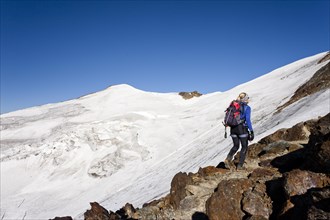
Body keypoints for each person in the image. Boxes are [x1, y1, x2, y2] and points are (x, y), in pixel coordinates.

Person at [224, 92, 254, 170]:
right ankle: (240, 166)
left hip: (233, 129)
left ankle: (228, 159)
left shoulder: (234, 106)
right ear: (245, 99)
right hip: (241, 129)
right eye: (247, 98)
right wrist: (251, 131)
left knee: (236, 146)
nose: (248, 100)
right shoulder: (247, 108)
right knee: (244, 146)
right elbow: (247, 120)